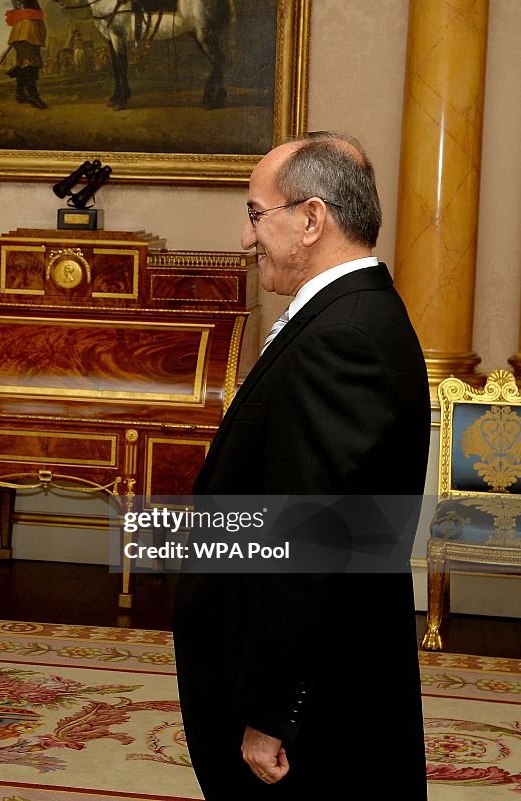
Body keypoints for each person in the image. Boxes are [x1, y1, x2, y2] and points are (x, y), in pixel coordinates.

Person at [173, 133, 430, 799]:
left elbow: (310, 542)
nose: (245, 236)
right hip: (335, 662)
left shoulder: (342, 336)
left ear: (311, 219)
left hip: (319, 693)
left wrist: (269, 712)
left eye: (257, 214)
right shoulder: (351, 312)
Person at [6, 0, 48, 109]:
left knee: (23, 64)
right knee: (30, 64)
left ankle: (20, 94)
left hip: (31, 26)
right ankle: (34, 98)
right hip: (25, 28)